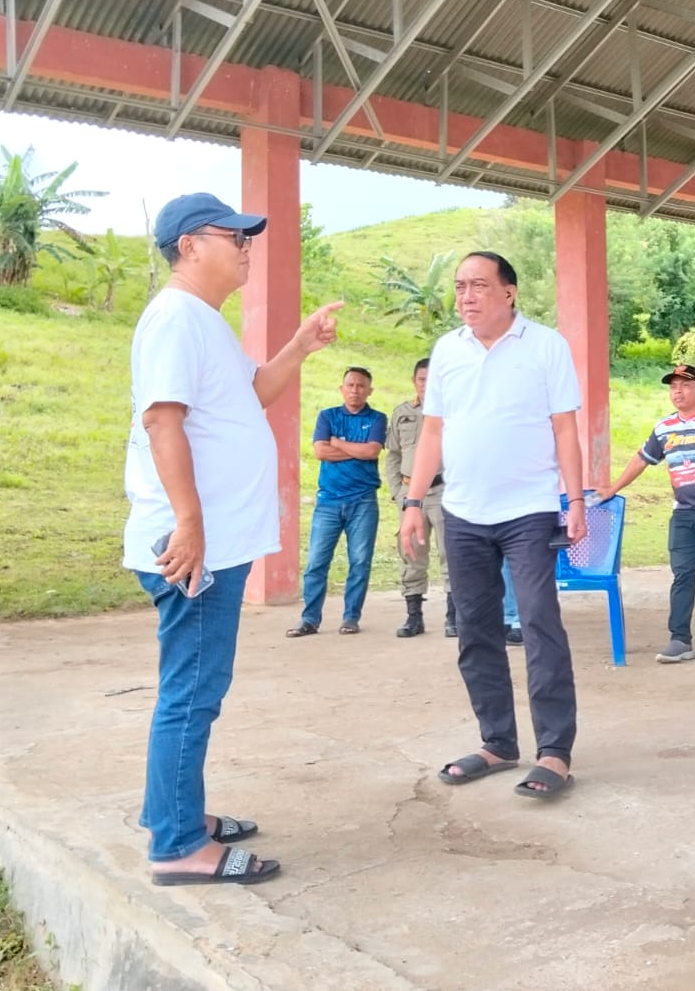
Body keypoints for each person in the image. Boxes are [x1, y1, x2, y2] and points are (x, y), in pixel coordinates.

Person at [124, 191, 341, 886]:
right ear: (189, 246)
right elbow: (163, 423)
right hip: (196, 550)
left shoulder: (203, 322)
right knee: (193, 692)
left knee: (190, 688)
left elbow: (252, 394)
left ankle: (175, 813)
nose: (247, 246)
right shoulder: (175, 320)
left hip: (210, 544)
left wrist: (301, 345)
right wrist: (190, 524)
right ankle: (179, 846)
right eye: (234, 236)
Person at [400, 251, 586, 800]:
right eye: (459, 286)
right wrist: (413, 501)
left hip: (528, 509)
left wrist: (573, 499)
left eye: (478, 285)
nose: (465, 296)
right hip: (462, 512)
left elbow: (565, 429)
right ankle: (498, 742)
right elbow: (432, 432)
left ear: (509, 292)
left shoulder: (545, 345)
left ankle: (554, 751)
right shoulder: (447, 351)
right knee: (474, 629)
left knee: (538, 622)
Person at [601, 363, 695, 663]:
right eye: (673, 386)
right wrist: (613, 487)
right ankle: (679, 640)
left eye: (685, 384)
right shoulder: (664, 428)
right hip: (682, 515)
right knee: (682, 575)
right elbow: (642, 460)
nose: (678, 391)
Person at [287, 367, 386, 637]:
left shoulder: (377, 418)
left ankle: (351, 617)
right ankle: (309, 619)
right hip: (328, 501)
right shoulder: (327, 416)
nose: (355, 390)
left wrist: (338, 444)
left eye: (361, 386)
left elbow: (372, 451)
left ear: (369, 391)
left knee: (360, 561)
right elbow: (320, 451)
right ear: (342, 388)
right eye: (350, 385)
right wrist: (355, 450)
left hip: (363, 501)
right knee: (316, 563)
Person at [386, 358, 451, 638]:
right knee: (411, 554)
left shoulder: (452, 411)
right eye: (421, 379)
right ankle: (414, 616)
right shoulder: (402, 413)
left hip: (443, 491)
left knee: (451, 553)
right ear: (415, 381)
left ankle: (454, 616)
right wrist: (397, 492)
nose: (426, 384)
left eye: (431, 378)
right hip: (411, 495)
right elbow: (393, 455)